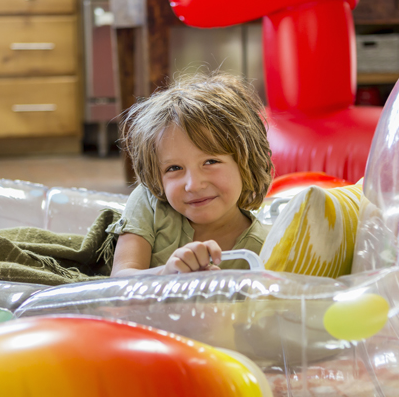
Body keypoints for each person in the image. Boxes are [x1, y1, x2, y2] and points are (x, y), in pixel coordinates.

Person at [108, 73, 274, 276]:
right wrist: (165, 275)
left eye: (211, 162)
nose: (193, 185)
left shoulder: (265, 248)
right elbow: (119, 280)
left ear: (246, 163)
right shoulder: (150, 204)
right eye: (174, 168)